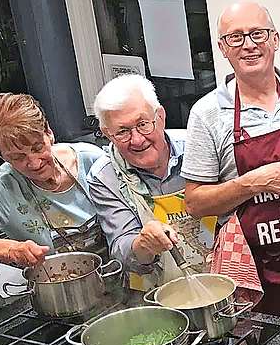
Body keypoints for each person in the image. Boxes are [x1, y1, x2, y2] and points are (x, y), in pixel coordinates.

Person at [181, 1, 280, 318]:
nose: (249, 45)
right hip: (255, 270)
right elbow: (195, 203)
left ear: (275, 39)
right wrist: (251, 183)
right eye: (236, 37)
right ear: (222, 48)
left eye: (257, 33)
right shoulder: (207, 114)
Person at [87, 75, 217, 291]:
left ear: (161, 117)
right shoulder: (104, 177)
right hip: (156, 296)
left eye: (143, 124)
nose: (137, 140)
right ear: (107, 135)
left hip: (221, 280)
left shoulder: (199, 147)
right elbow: (121, 249)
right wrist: (143, 245)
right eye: (122, 132)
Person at [0, 93, 106, 266]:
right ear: (1, 156)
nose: (34, 163)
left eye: (38, 148)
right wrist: (8, 250)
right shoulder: (2, 188)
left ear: (49, 133)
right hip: (60, 286)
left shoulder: (91, 159)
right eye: (18, 157)